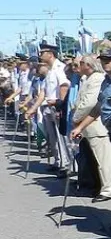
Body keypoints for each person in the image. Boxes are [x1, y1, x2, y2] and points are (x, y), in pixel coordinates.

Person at [68, 56, 111, 202]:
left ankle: (109, 189)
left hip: (96, 125)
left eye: (80, 63)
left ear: (88, 65)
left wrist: (76, 118)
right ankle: (98, 185)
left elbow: (89, 103)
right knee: (95, 160)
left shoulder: (96, 78)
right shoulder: (87, 78)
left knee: (104, 160)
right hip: (87, 126)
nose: (76, 66)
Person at [38, 44, 71, 176]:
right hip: (48, 107)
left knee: (61, 137)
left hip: (56, 107)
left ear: (50, 54)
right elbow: (44, 91)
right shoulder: (49, 70)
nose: (41, 55)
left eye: (43, 53)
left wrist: (60, 106)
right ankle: (58, 161)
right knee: (53, 138)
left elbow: (64, 86)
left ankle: (66, 165)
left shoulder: (60, 68)